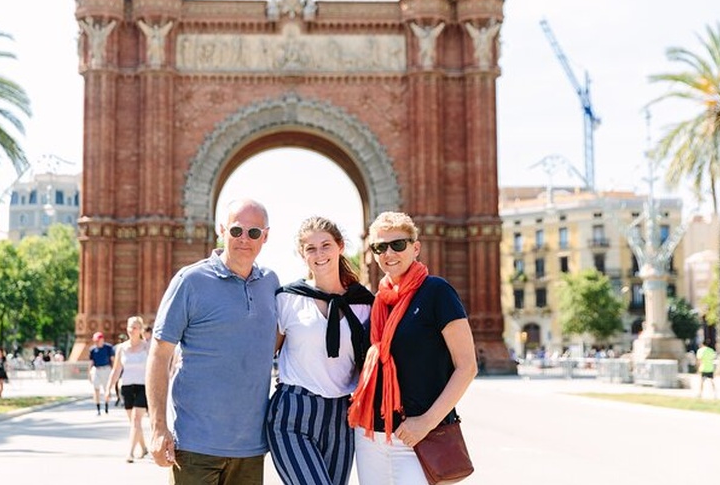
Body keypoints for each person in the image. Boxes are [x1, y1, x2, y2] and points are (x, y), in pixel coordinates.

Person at [147, 198, 279, 484]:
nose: (244, 239)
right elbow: (159, 355)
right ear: (222, 230)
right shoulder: (190, 280)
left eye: (253, 232)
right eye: (236, 230)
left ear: (265, 236)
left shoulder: (271, 284)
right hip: (195, 447)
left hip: (250, 449)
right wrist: (158, 428)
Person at [348, 211, 478, 485]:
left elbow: (467, 366)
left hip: (419, 436)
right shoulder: (377, 303)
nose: (388, 253)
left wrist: (427, 422)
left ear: (415, 247)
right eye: (379, 247)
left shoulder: (436, 292)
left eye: (398, 244)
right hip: (371, 436)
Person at [266, 216, 374, 485]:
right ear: (302, 255)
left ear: (340, 246)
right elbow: (263, 356)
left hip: (341, 416)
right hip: (292, 413)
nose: (319, 254)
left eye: (325, 245)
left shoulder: (364, 304)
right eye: (310, 248)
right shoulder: (287, 298)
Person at [107, 316, 150, 463]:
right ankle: (144, 447)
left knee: (136, 419)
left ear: (141, 330)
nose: (132, 330)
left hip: (143, 386)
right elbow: (117, 369)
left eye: (136, 327)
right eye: (130, 327)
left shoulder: (147, 347)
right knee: (134, 422)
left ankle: (130, 453)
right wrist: (108, 389)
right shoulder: (122, 348)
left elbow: (153, 369)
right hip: (126, 387)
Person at [89, 331, 115, 415]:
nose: (96, 342)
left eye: (97, 340)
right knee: (96, 388)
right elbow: (91, 362)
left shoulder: (108, 348)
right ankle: (98, 408)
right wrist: (89, 372)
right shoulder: (93, 349)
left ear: (102, 339)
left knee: (106, 388)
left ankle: (106, 405)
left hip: (106, 369)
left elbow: (112, 360)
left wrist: (114, 371)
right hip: (97, 369)